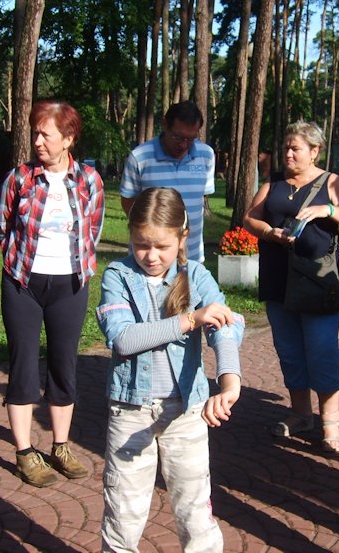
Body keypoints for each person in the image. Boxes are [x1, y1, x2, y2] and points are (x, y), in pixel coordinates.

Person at [96, 187, 243, 552]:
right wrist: (190, 319)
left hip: (187, 413)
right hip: (131, 411)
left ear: (182, 237)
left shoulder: (196, 275)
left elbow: (225, 326)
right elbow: (124, 340)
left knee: (195, 512)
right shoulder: (117, 275)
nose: (150, 256)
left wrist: (229, 384)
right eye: (141, 244)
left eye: (162, 246)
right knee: (123, 515)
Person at [0, 100, 104, 488]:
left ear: (68, 139)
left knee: (63, 364)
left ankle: (60, 446)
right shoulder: (19, 179)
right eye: (35, 133)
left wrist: (74, 267)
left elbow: (93, 229)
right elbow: (2, 228)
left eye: (47, 134)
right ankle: (25, 452)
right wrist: (21, 262)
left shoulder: (89, 180)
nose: (38, 141)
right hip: (23, 282)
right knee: (23, 363)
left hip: (70, 285)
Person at [243, 121, 339, 452]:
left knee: (321, 348)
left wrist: (328, 209)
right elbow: (249, 219)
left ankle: (331, 420)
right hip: (278, 281)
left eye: (295, 148)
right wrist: (269, 233)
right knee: (289, 349)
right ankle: (301, 414)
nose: (288, 153)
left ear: (315, 151)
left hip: (318, 282)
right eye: (286, 146)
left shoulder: (331, 183)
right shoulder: (274, 185)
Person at [119, 101, 216, 262]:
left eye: (190, 138)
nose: (183, 145)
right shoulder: (140, 157)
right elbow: (128, 201)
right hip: (150, 259)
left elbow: (201, 198)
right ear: (165, 125)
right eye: (178, 137)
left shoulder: (206, 155)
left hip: (191, 257)